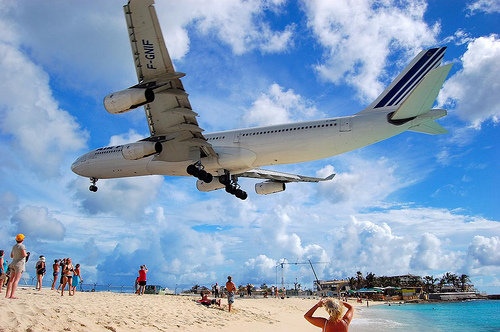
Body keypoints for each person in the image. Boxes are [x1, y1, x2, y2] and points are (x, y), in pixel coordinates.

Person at [5, 234, 28, 299]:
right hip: (19, 263)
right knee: (16, 280)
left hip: (13, 262)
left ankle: (7, 295)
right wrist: (27, 255)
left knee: (11, 280)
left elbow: (11, 256)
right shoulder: (22, 246)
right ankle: (12, 295)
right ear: (22, 240)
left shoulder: (14, 246)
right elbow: (23, 255)